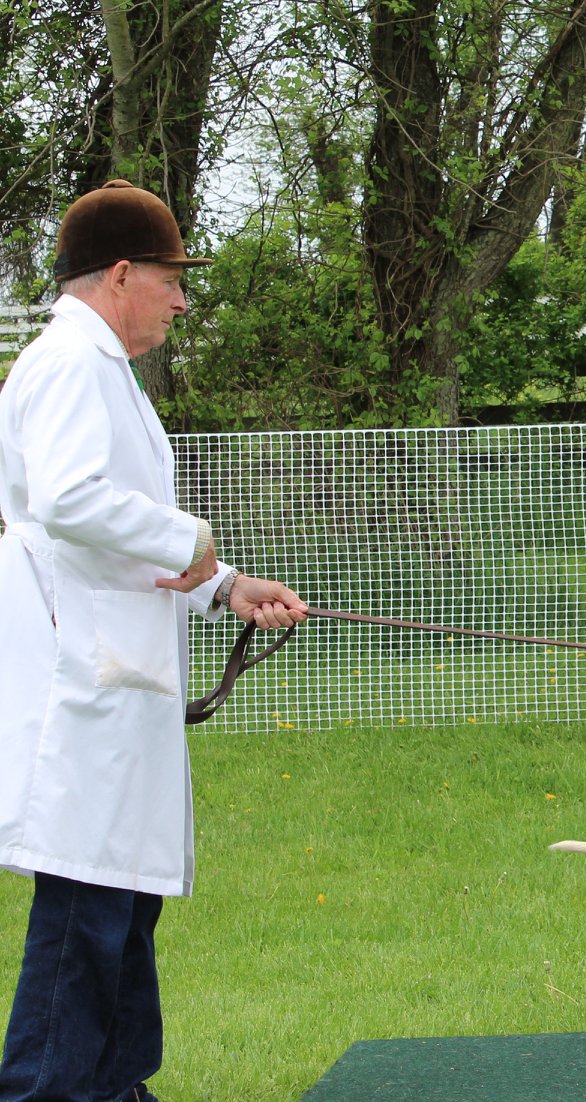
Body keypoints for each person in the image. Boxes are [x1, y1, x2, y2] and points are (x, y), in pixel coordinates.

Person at [0, 180, 309, 1100]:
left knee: (122, 910)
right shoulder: (68, 363)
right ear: (123, 273)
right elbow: (66, 502)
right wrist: (191, 538)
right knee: (86, 915)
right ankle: (42, 1093)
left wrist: (224, 586)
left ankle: (117, 1088)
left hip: (115, 672)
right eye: (174, 280)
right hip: (82, 686)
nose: (181, 300)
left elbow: (118, 540)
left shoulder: (104, 369)